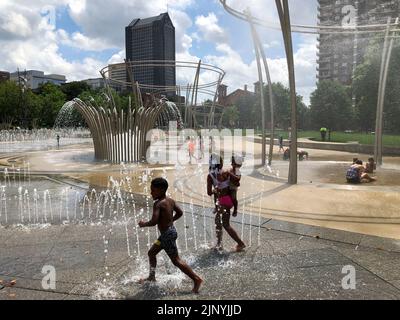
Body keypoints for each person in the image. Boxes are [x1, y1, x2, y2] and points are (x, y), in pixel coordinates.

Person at [138, 177, 203, 293]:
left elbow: (154, 221)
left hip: (167, 235)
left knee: (176, 260)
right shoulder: (170, 201)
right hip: (169, 232)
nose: (151, 192)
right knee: (151, 252)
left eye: (153, 190)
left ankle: (196, 279)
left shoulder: (158, 204)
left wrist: (144, 224)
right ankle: (151, 277)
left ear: (162, 190)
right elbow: (180, 212)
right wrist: (171, 221)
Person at [207, 155, 246, 252]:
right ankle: (219, 244)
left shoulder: (210, 176)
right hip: (227, 201)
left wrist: (215, 190)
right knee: (218, 222)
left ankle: (240, 243)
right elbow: (237, 182)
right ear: (221, 163)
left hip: (222, 202)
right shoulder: (226, 172)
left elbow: (209, 192)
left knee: (225, 224)